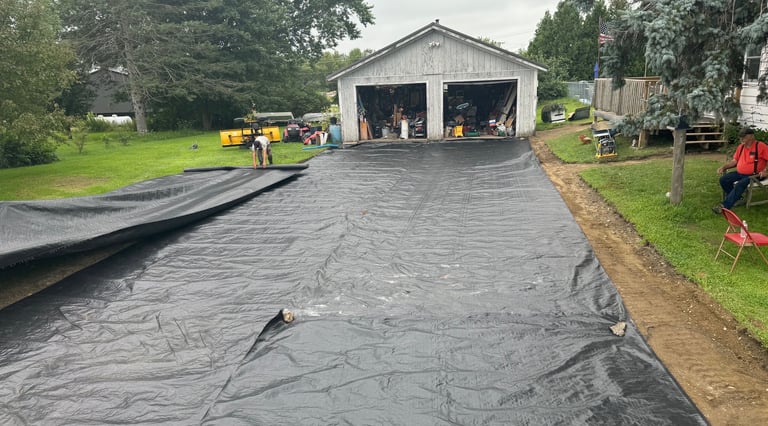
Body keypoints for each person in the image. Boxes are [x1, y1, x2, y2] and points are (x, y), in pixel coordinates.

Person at [712, 127, 768, 214]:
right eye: (740, 137)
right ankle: (737, 198)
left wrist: (765, 171)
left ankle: (724, 206)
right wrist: (724, 167)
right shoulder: (740, 147)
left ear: (751, 136)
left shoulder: (761, 146)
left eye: (744, 137)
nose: (741, 139)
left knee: (740, 184)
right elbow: (735, 161)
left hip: (755, 175)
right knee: (724, 179)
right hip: (740, 173)